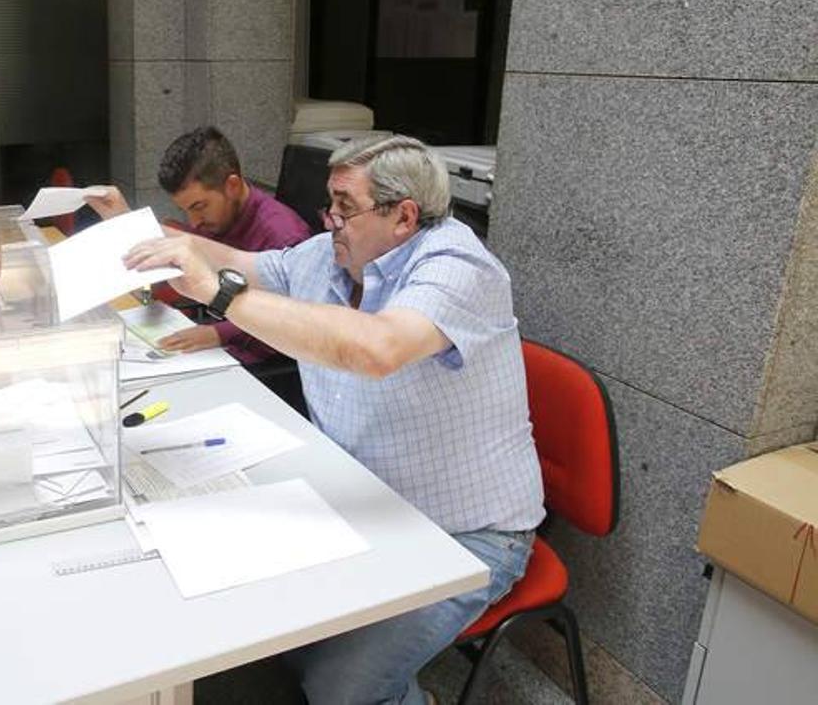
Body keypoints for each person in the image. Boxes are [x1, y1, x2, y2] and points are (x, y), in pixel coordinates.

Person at [124, 135, 544, 705]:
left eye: (345, 206)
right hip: (365, 502)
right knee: (255, 619)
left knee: (339, 689)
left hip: (465, 532)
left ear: (403, 216)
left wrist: (219, 297)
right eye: (330, 204)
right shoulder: (330, 254)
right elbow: (252, 265)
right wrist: (149, 242)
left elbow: (377, 349)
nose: (330, 221)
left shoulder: (458, 265)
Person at [85, 126, 311, 364]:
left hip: (262, 361)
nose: (194, 222)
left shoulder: (286, 237)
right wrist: (127, 223)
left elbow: (298, 322)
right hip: (209, 333)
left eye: (199, 207)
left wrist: (217, 334)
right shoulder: (218, 220)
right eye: (185, 211)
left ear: (232, 186)